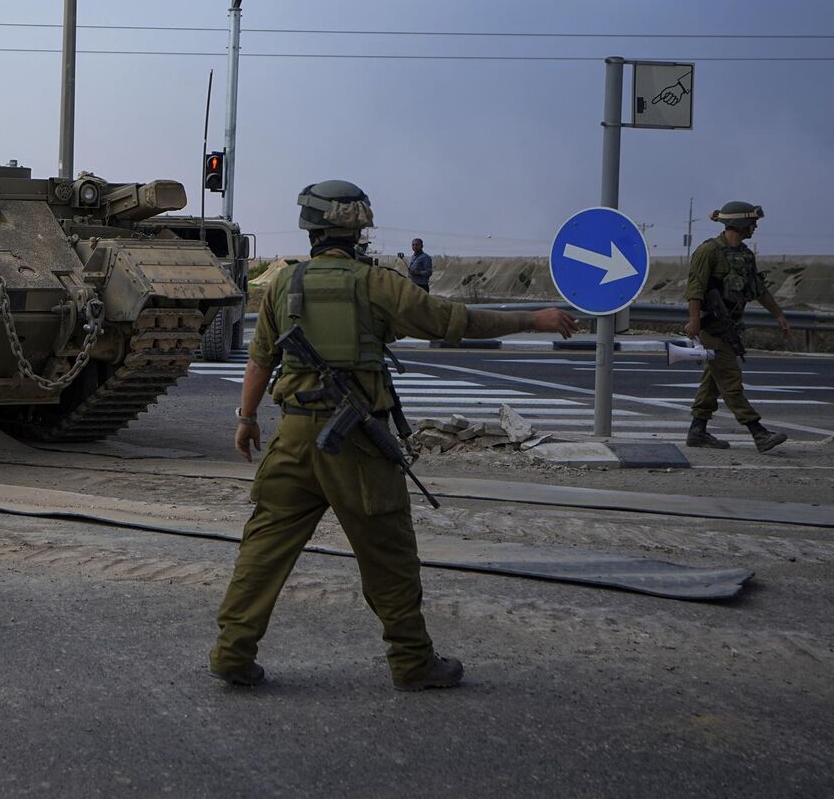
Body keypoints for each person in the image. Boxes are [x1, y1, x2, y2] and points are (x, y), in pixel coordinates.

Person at [210, 180, 579, 692]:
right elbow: (455, 321)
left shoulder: (282, 285)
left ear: (311, 227)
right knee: (388, 553)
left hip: (292, 437)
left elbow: (259, 359)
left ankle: (232, 651)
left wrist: (247, 418)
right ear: (357, 225)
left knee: (265, 544)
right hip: (356, 441)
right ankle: (411, 661)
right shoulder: (377, 284)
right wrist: (532, 318)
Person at [682, 201, 791, 453]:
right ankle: (758, 432)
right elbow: (695, 288)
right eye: (752, 222)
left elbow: (758, 290)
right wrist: (695, 320)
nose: (755, 227)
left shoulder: (745, 255)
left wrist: (779, 315)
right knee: (730, 379)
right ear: (740, 223)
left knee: (713, 379)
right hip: (712, 327)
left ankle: (697, 430)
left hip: (730, 325)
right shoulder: (708, 251)